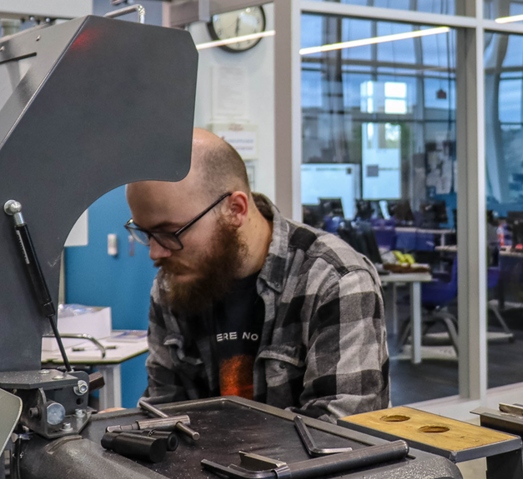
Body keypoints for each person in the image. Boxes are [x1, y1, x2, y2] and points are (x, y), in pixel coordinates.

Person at [125, 128, 390, 422]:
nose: (156, 253)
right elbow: (164, 412)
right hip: (203, 466)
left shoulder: (335, 279)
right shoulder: (173, 282)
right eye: (145, 233)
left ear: (235, 209)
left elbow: (338, 433)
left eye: (169, 233)